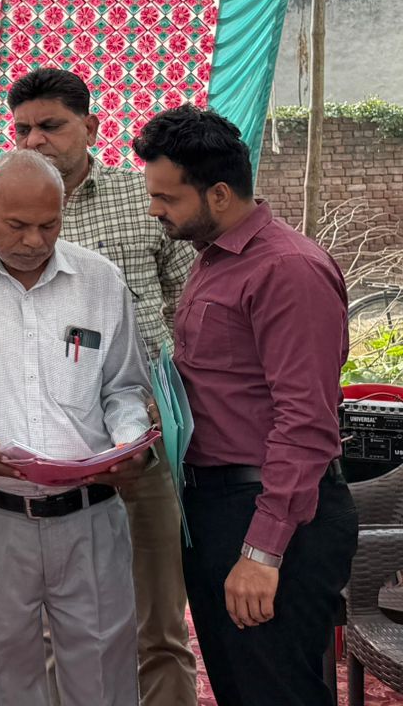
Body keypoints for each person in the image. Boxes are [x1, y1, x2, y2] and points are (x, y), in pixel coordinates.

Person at [135, 106, 357, 706]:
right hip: (217, 506)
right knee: (244, 689)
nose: (154, 209)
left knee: (277, 691)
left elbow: (306, 422)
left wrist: (262, 551)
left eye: (166, 197)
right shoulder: (213, 257)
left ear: (220, 193)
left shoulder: (287, 270)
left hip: (272, 513)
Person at [0, 150, 150, 706]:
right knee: (4, 683)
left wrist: (129, 441)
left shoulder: (99, 280)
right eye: (17, 225)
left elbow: (123, 388)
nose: (33, 241)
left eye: (49, 225)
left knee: (104, 680)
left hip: (90, 516)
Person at [7, 67, 197, 704]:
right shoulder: (9, 212)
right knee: (58, 629)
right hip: (56, 452)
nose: (34, 141)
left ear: (90, 127)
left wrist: (165, 405)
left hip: (144, 444)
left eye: (50, 126)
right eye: (22, 129)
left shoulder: (145, 200)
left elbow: (189, 307)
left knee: (160, 626)